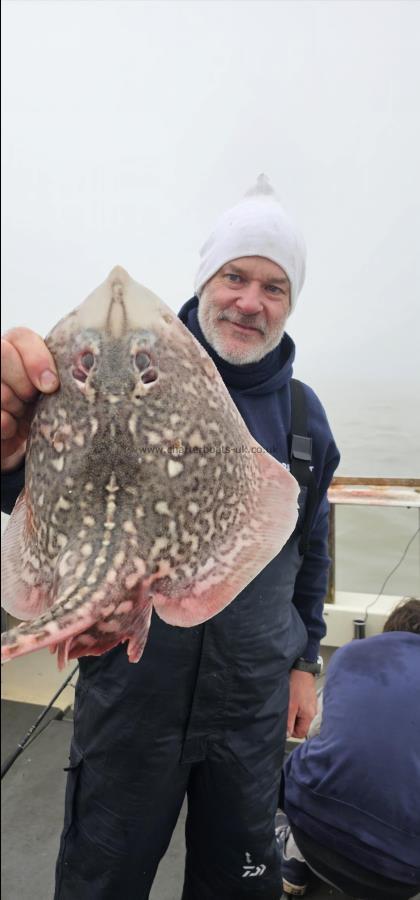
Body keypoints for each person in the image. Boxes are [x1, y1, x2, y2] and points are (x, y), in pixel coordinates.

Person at [1, 174, 340, 900]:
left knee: (239, 886)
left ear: (289, 303)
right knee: (102, 882)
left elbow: (310, 547)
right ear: (205, 282)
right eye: (235, 275)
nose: (250, 300)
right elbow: (35, 486)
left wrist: (304, 660)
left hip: (249, 712)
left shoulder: (307, 421)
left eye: (274, 287)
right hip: (131, 700)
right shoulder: (98, 378)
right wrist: (9, 441)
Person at [278, 597, 420, 899]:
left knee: (319, 747)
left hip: (312, 832)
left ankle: (293, 862)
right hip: (402, 874)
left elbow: (316, 732)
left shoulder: (353, 654)